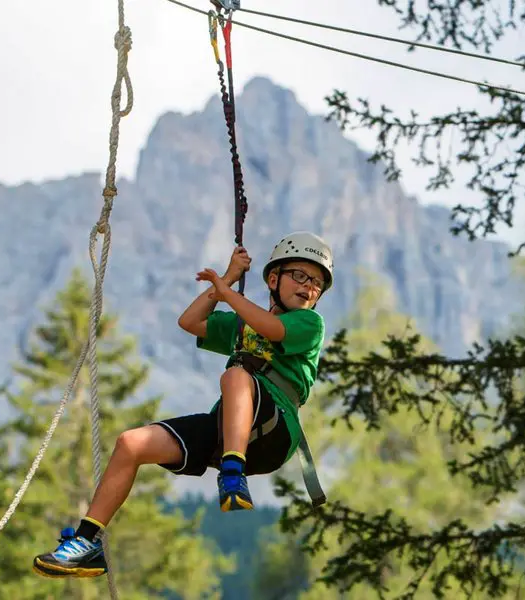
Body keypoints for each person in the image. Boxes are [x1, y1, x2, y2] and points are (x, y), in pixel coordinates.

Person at [31, 231, 334, 579]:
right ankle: (86, 543)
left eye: (316, 283)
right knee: (131, 444)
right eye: (299, 275)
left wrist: (228, 295)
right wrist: (228, 279)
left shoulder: (310, 323)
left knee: (236, 375)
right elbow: (190, 322)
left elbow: (272, 328)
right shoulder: (242, 323)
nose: (308, 286)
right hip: (229, 425)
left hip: (275, 431)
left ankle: (233, 473)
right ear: (273, 278)